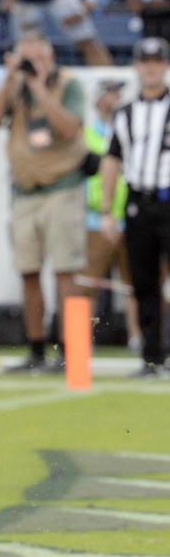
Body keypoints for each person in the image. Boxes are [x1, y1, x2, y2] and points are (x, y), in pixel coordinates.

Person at [0, 32, 88, 373]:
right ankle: (37, 351)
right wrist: (9, 81)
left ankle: (74, 354)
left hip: (62, 188)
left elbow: (70, 130)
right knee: (28, 271)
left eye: (36, 58)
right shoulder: (15, 88)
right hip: (25, 192)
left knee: (66, 272)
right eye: (25, 59)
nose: (31, 65)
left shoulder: (68, 84)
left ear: (51, 55)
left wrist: (41, 86)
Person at [100, 37, 170, 377]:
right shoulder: (125, 113)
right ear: (138, 66)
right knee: (143, 284)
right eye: (146, 61)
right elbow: (112, 159)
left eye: (157, 61)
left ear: (166, 65)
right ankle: (152, 357)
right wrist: (106, 210)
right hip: (138, 202)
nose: (152, 67)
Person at [81, 79, 140, 352]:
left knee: (137, 284)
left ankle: (140, 339)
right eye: (111, 93)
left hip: (132, 217)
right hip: (96, 220)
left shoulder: (133, 130)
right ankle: (81, 343)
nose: (116, 98)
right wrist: (102, 211)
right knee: (87, 283)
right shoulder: (89, 134)